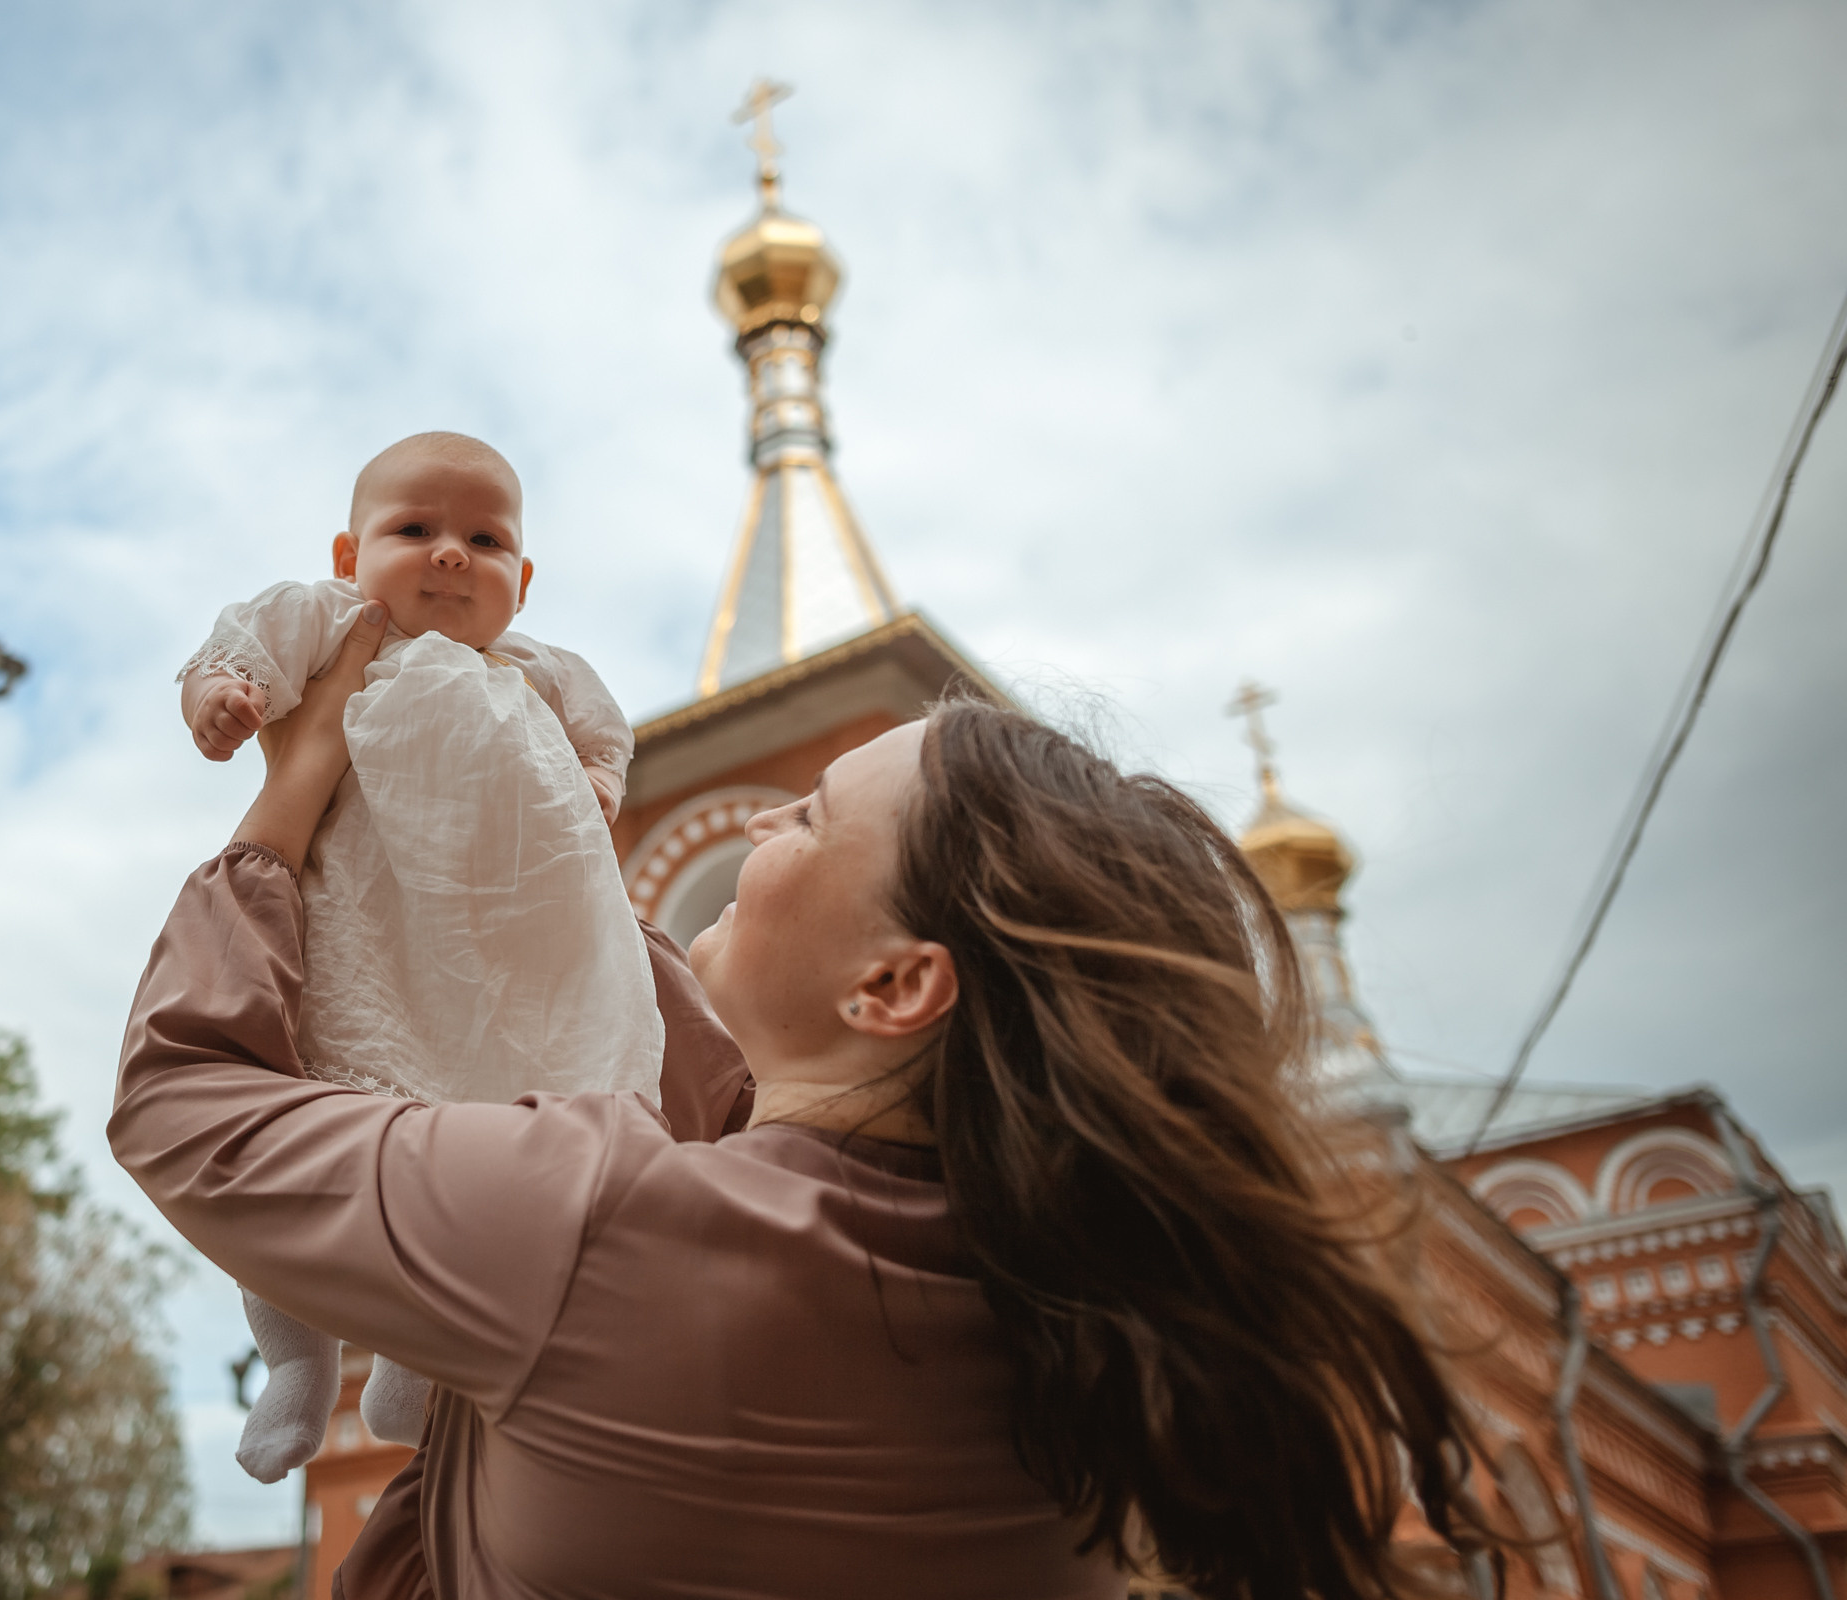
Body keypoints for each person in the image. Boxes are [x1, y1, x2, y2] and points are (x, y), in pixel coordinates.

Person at [112, 604, 1493, 1599]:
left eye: (812, 819)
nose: (762, 831)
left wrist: (285, 806)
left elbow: (184, 1101)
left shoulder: (584, 1226)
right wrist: (568, 882)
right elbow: (752, 1134)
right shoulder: (1064, 1319)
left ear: (896, 987)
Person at [174, 432, 663, 1478]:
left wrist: (600, 782)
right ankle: (299, 1360)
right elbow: (230, 649)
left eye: (483, 540)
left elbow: (605, 738)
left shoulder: (539, 673)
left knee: (464, 1157)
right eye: (415, 530)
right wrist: (219, 701)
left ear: (522, 584)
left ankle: (415, 1359)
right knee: (318, 1144)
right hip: (360, 935)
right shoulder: (332, 620)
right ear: (349, 555)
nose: (450, 554)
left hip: (486, 970)